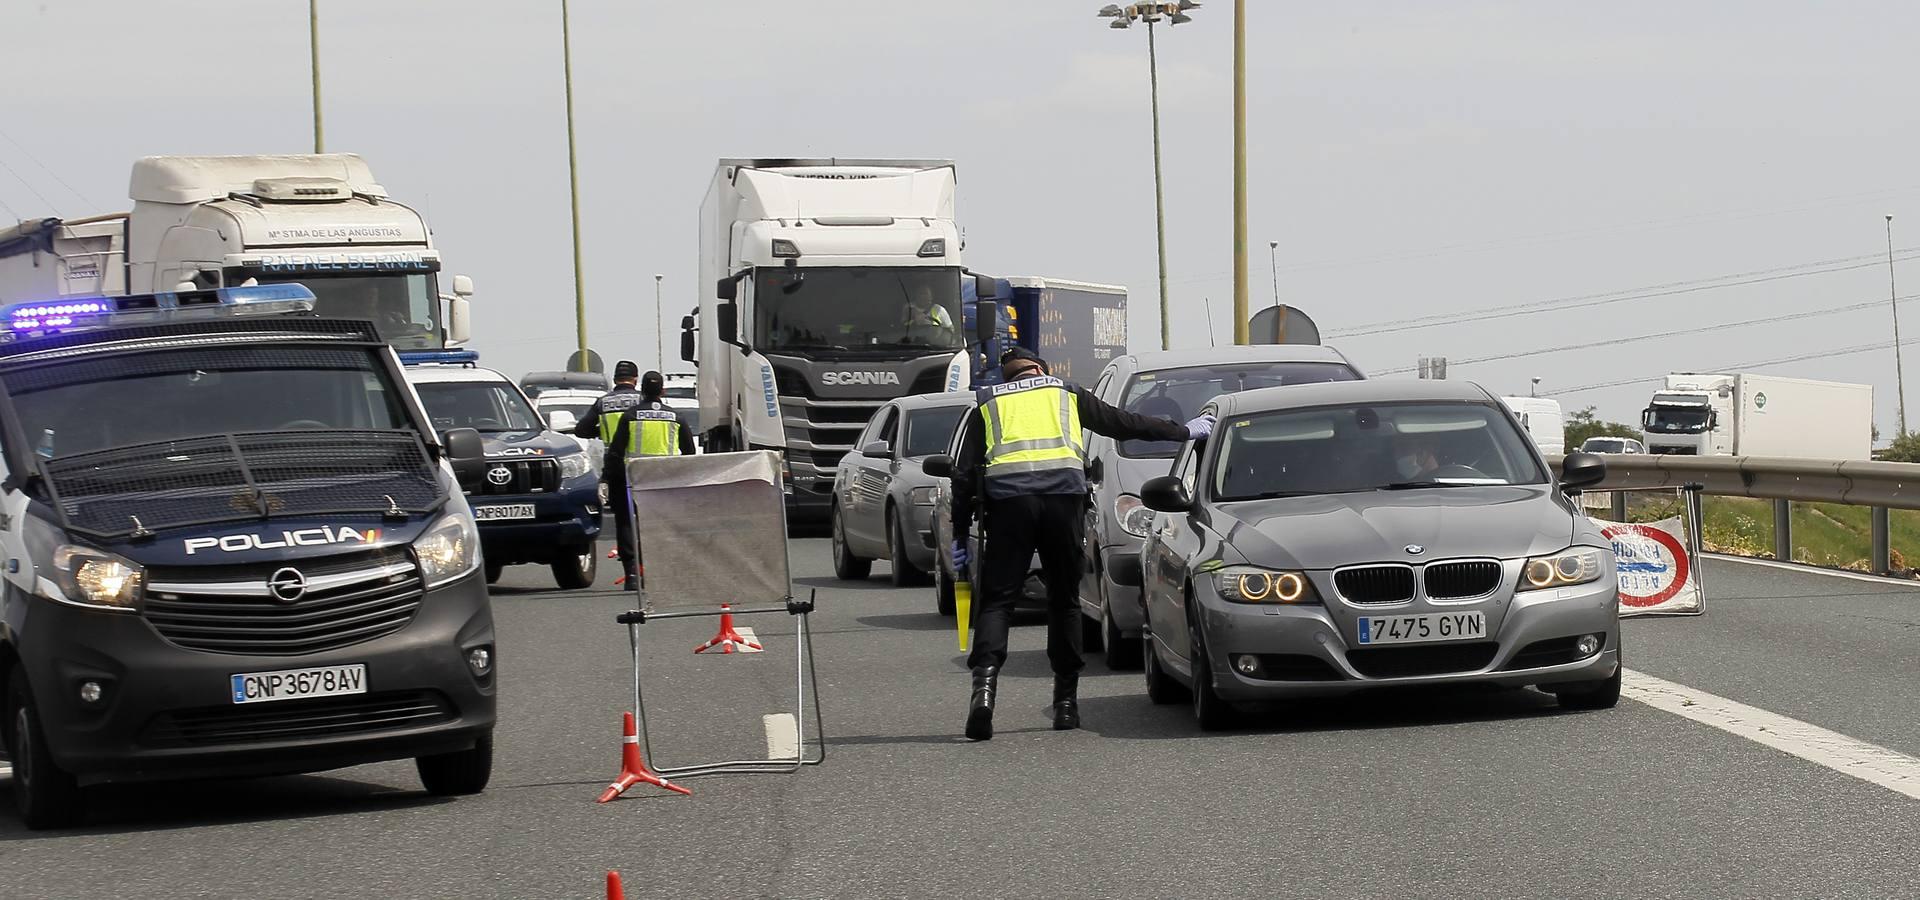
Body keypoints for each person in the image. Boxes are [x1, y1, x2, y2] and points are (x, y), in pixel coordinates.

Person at [949, 347, 1215, 739]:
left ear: (1008, 376)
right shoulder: (1065, 393)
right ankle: (1066, 705)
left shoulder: (987, 403)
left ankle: (983, 695)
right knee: (1064, 602)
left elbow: (963, 475)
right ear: (1040, 368)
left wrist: (959, 531)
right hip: (1062, 505)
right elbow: (1123, 423)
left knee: (998, 602)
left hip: (1009, 509)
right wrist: (1182, 431)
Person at [606, 371, 697, 589]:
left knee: (627, 523)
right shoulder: (676, 417)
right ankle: (664, 572)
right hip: (665, 481)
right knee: (664, 525)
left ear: (642, 391)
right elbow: (689, 452)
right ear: (663, 391)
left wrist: (608, 478)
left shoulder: (630, 416)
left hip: (635, 478)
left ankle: (632, 575)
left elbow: (616, 452)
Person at [574, 361, 646, 588]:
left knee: (624, 520)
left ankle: (631, 573)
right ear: (635, 378)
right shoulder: (643, 400)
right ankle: (649, 568)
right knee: (646, 519)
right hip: (646, 466)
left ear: (615, 379)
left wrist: (602, 431)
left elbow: (581, 429)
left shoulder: (603, 402)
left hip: (616, 467)